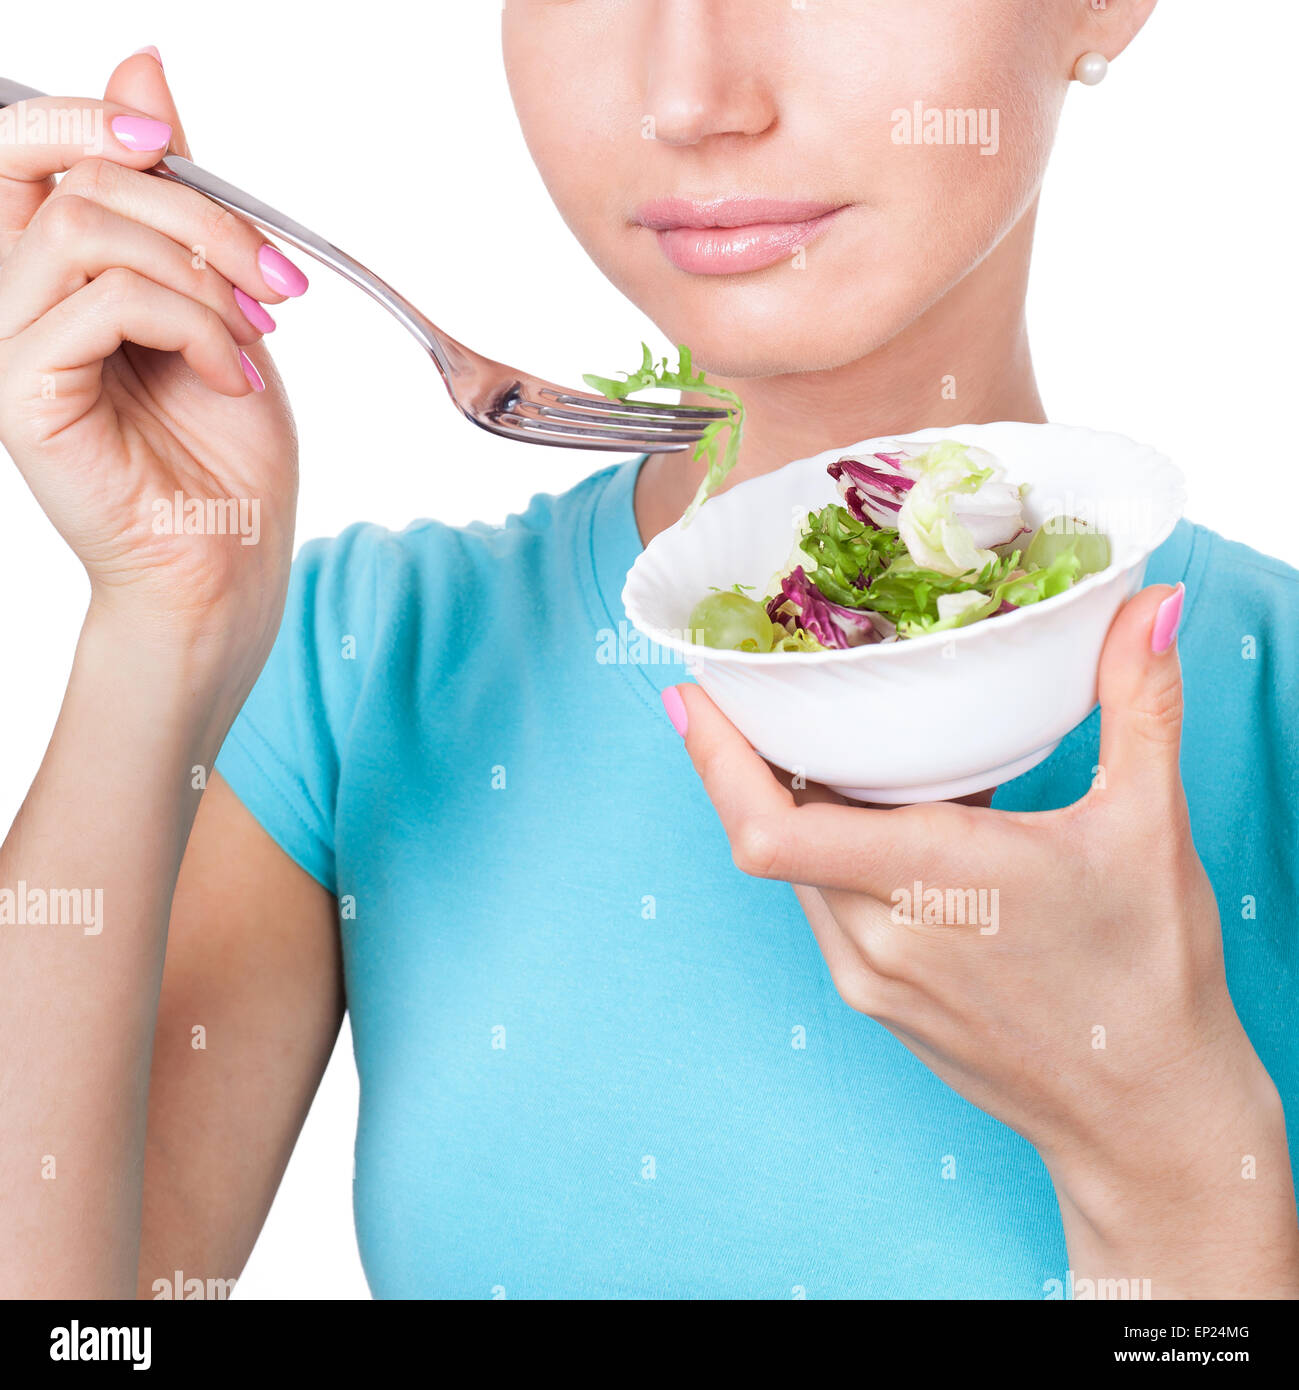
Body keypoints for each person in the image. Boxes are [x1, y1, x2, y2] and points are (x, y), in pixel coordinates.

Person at [2, 3, 1297, 1299]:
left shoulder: (1273, 699)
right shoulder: (364, 671)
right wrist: (155, 630)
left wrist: (1167, 1148)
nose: (691, 95)